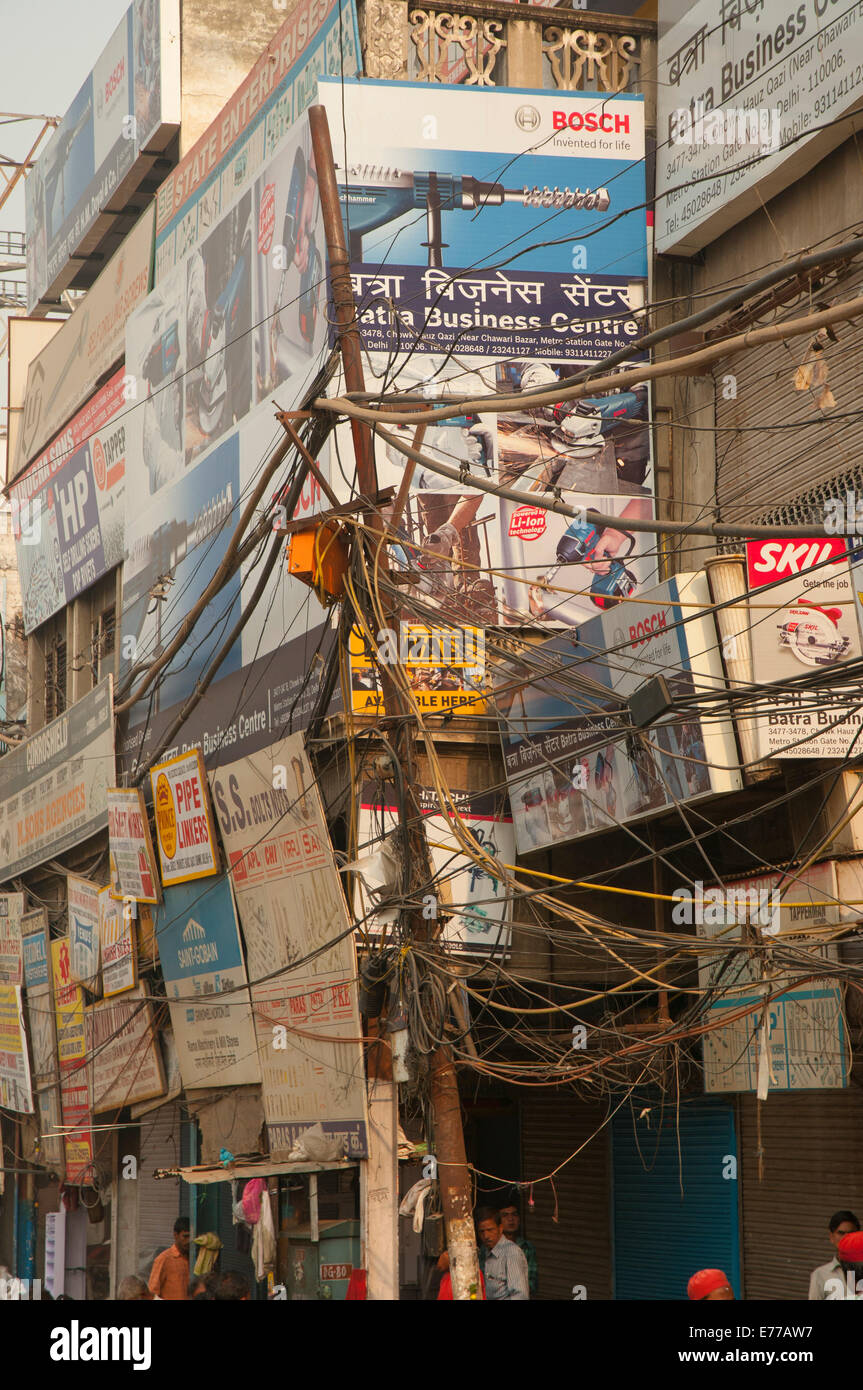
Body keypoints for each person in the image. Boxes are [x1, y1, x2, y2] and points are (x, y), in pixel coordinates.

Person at [475, 1207, 529, 1300]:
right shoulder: (484, 1252)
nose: (486, 1236)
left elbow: (520, 1295)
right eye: (481, 1232)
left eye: (490, 1230)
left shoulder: (512, 1253)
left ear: (500, 1228)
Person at [808, 1210, 860, 1299]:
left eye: (851, 1233)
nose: (846, 1238)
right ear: (831, 1237)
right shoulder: (820, 1275)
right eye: (841, 1233)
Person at [497, 1197, 538, 1297]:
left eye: (514, 1214)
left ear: (519, 1219)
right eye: (505, 1215)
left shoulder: (527, 1247)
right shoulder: (490, 1248)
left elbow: (532, 1284)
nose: (511, 1219)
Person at [148, 1217, 191, 1301]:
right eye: (185, 1236)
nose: (188, 1240)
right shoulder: (164, 1259)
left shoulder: (195, 1258)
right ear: (175, 1235)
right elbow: (152, 1292)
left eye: (191, 1236)